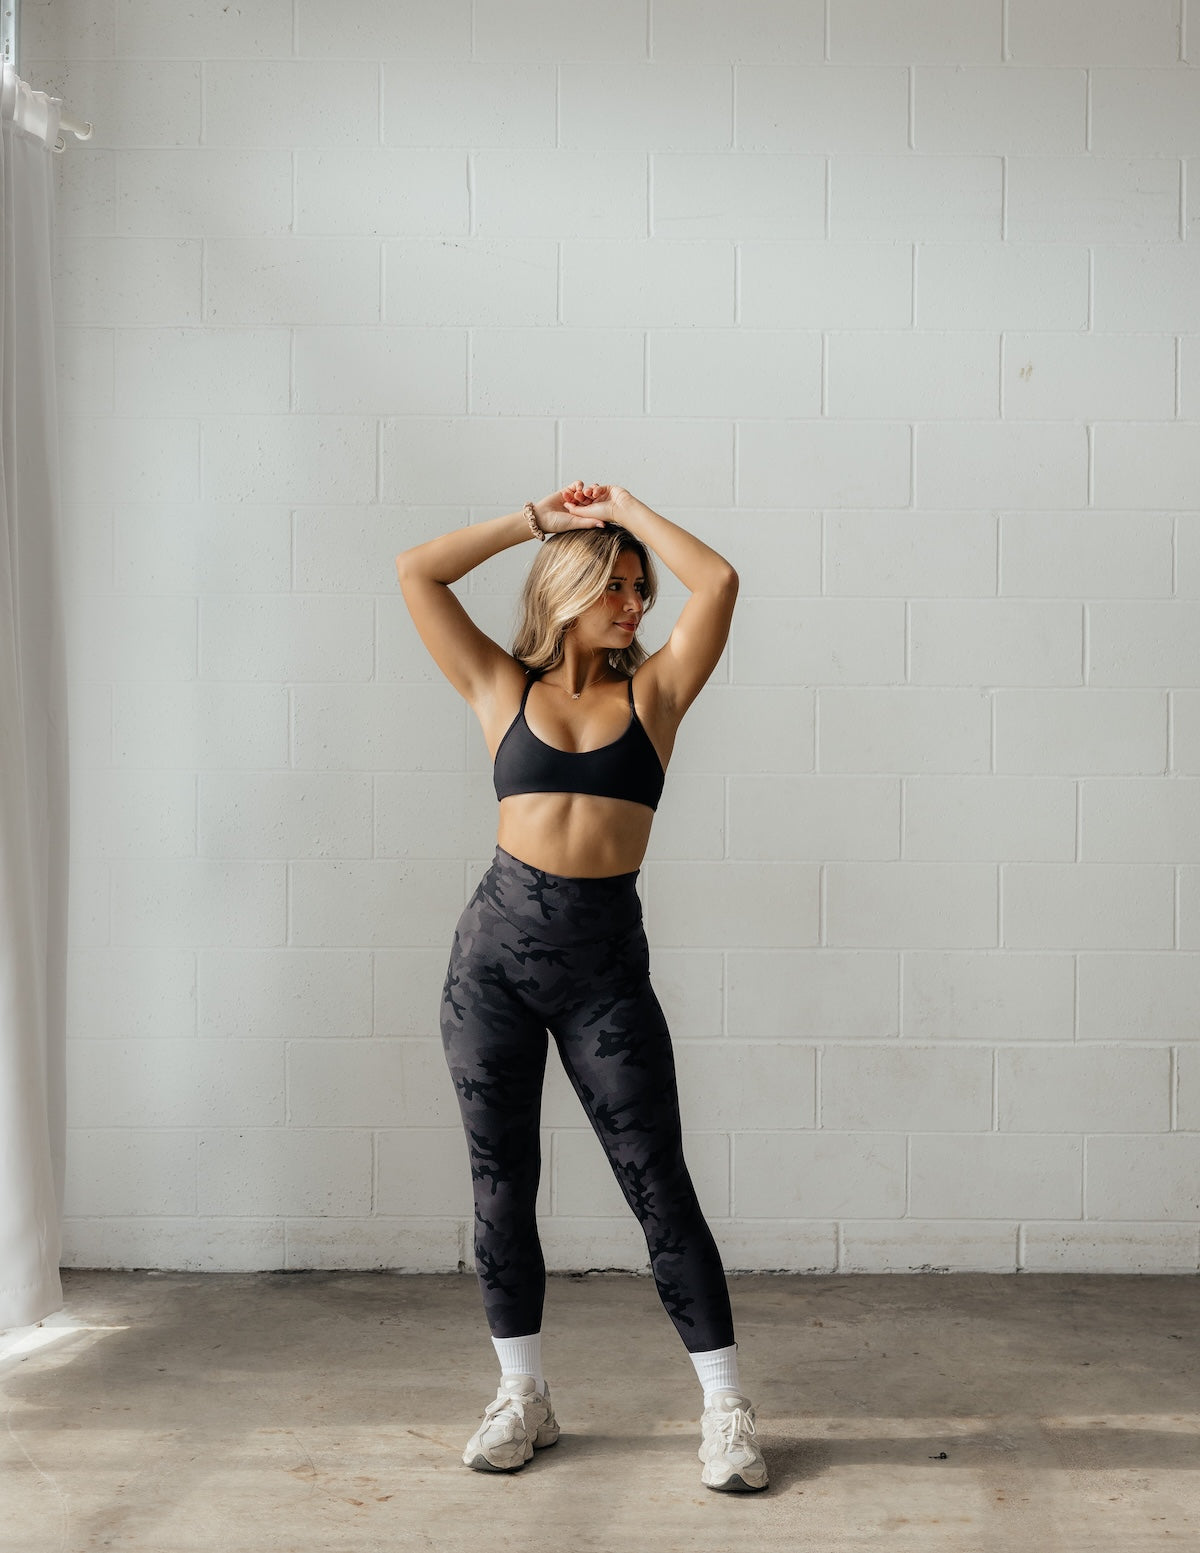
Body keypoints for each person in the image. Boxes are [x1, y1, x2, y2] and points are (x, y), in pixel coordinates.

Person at [395, 482, 768, 1493]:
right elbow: (418, 571)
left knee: (660, 1185)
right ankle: (522, 1393)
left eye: (642, 589)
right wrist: (534, 521)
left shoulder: (656, 696)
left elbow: (720, 580)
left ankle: (725, 1406)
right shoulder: (498, 687)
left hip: (604, 976)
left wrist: (632, 513)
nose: (636, 605)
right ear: (568, 586)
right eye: (617, 587)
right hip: (491, 970)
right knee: (501, 1184)